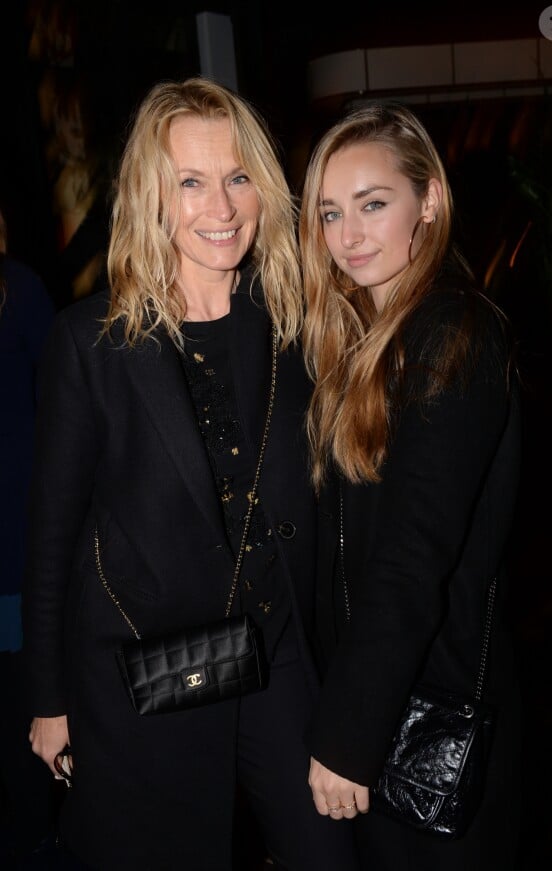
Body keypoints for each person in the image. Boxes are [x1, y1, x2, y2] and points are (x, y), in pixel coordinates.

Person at [22, 77, 359, 871]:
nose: (223, 206)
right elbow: (52, 540)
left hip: (278, 665)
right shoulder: (92, 343)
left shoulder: (296, 327)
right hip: (149, 675)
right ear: (152, 196)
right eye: (192, 182)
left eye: (239, 177)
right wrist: (47, 698)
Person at [299, 102, 522, 869]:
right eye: (330, 212)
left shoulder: (452, 333)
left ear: (428, 201)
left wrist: (348, 733)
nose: (348, 235)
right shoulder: (368, 336)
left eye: (373, 204)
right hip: (389, 697)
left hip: (432, 716)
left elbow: (411, 557)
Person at [0, 204, 57, 863]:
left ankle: (40, 838)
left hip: (19, 543)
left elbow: (61, 408)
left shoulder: (19, 290)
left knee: (25, 718)